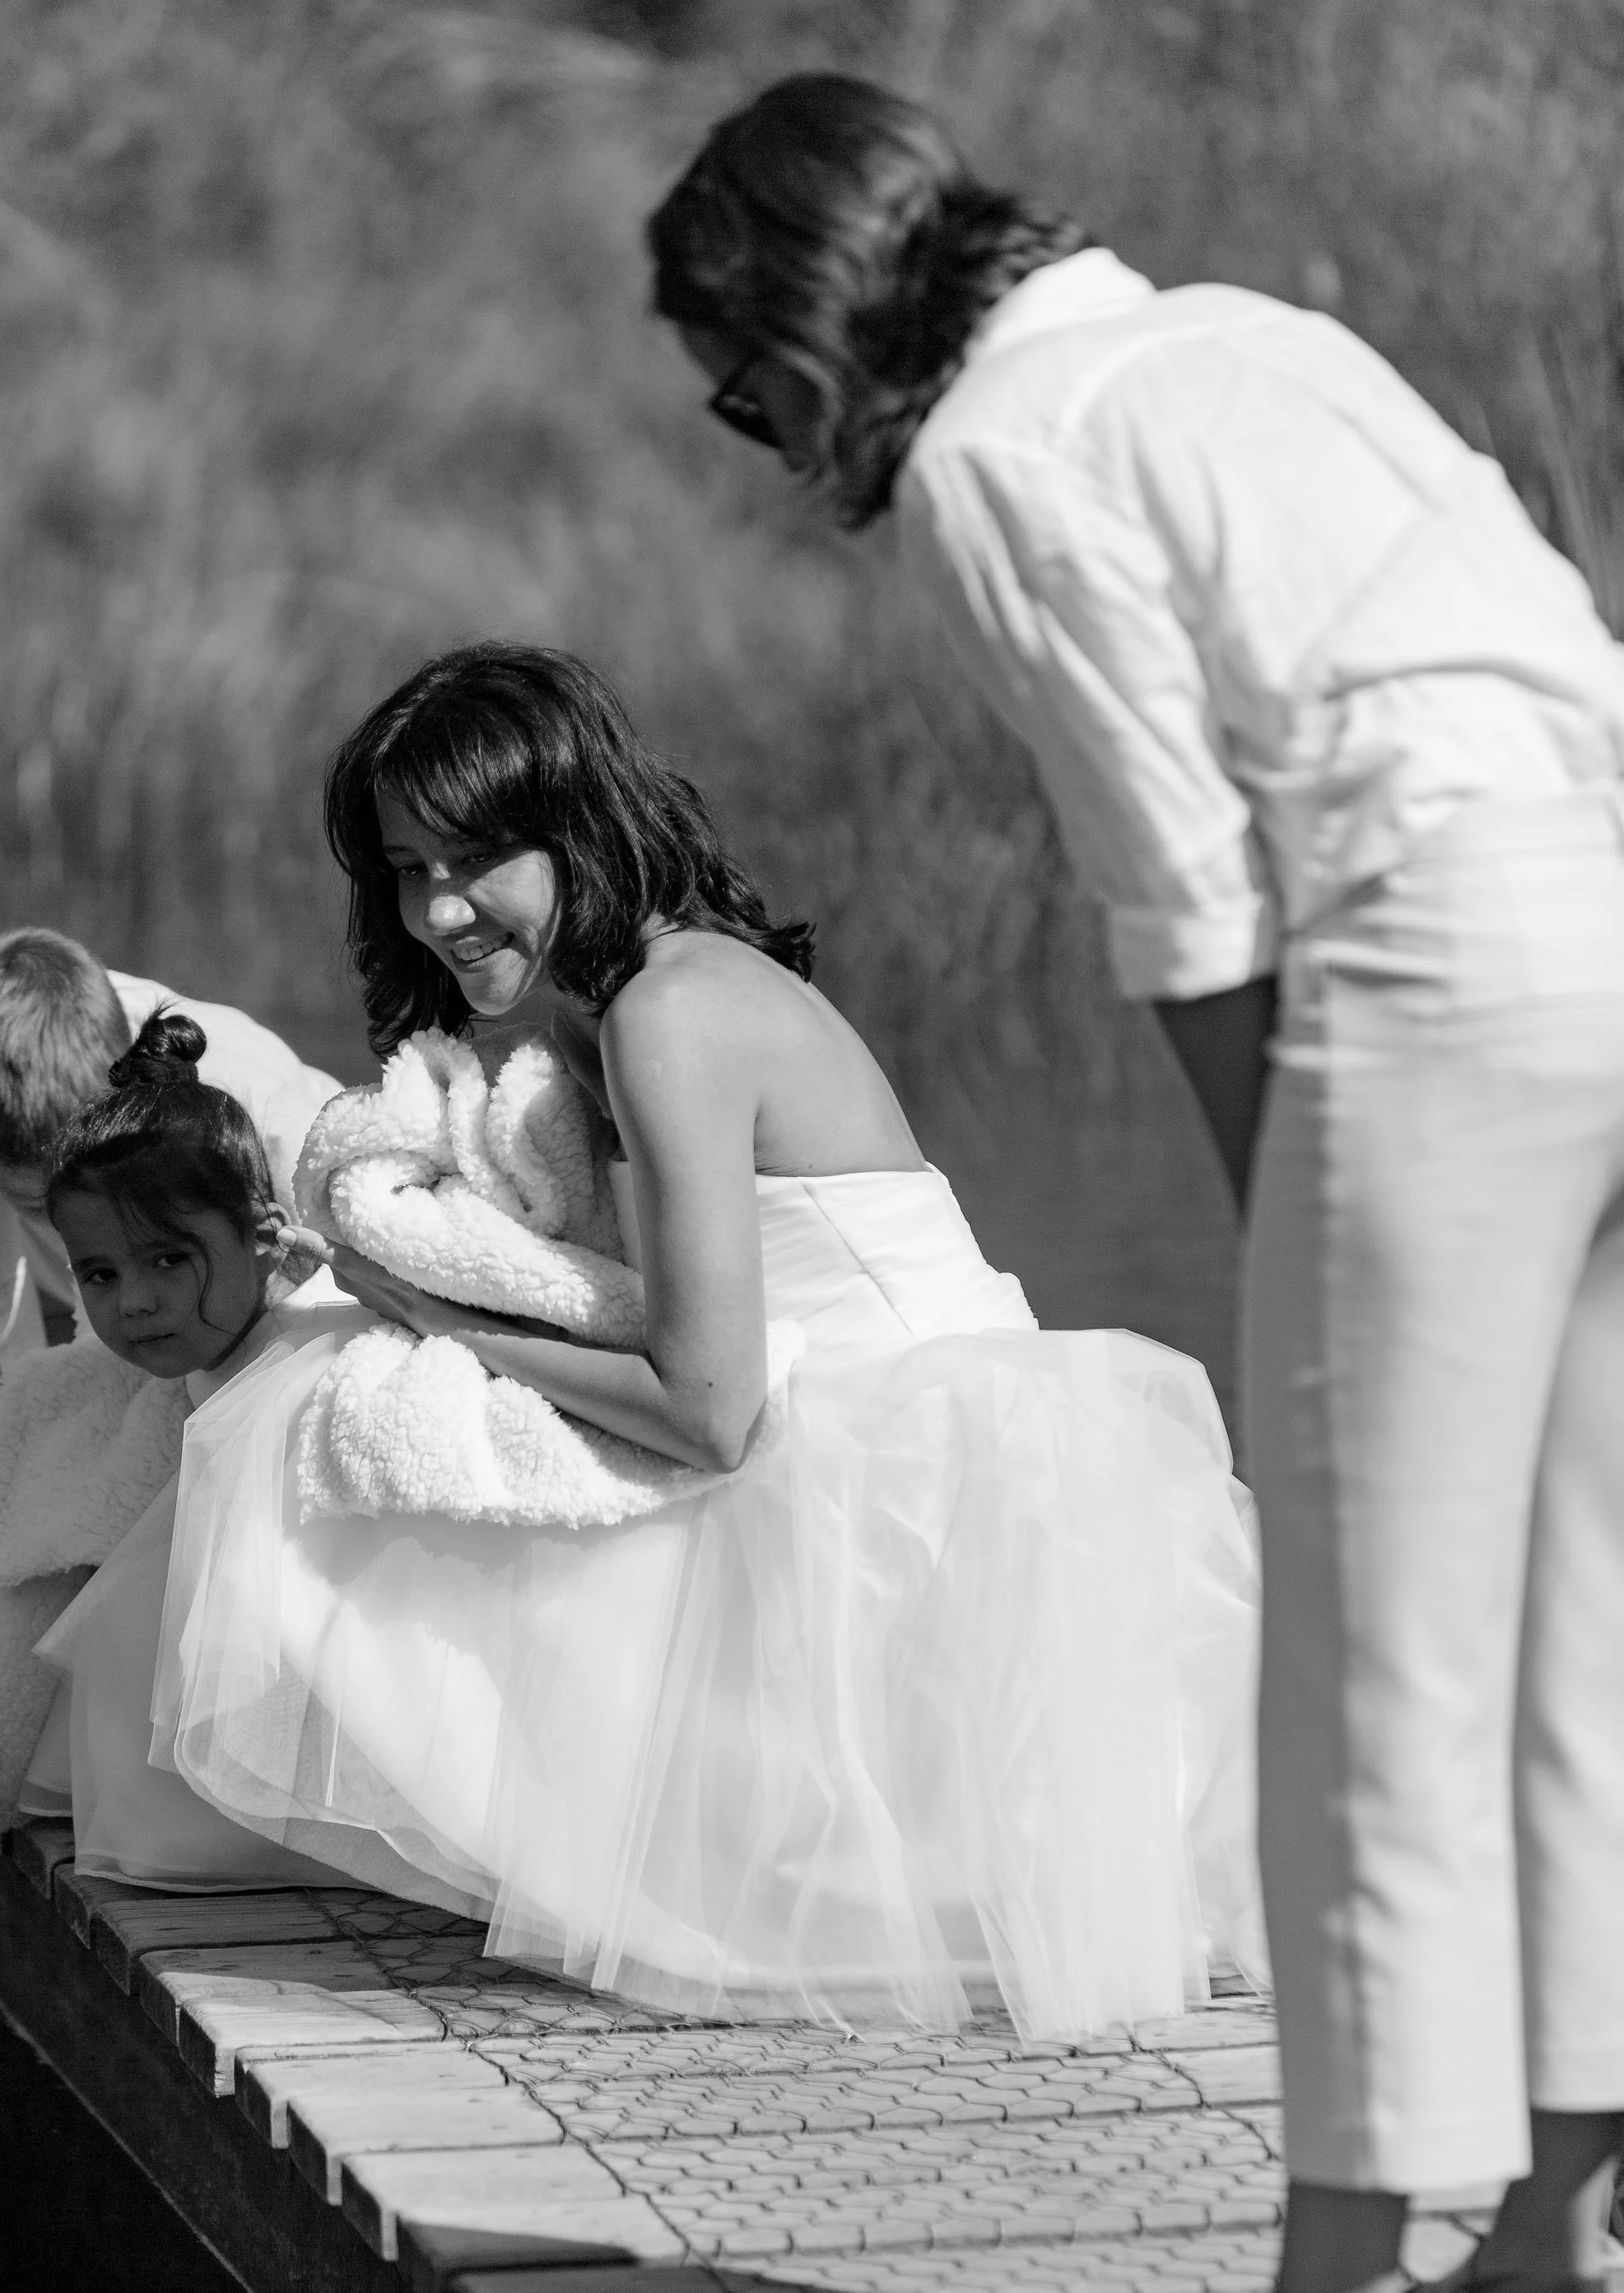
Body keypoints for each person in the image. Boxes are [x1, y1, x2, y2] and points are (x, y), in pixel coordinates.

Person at [647, 72, 1624, 2293]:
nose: (746, 435)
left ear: (806, 314)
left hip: (1448, 960)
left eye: (730, 372)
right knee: (1581, 1630)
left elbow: (1191, 908)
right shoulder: (1235, 341)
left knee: (1365, 1656)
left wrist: (1274, 1214)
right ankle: (1555, 2276)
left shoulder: (992, 450)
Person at [138, 640, 1264, 2036]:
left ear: (578, 828)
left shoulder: (670, 1017)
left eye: (473, 859)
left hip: (910, 1483)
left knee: (317, 1430)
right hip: (867, 1425)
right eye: (405, 868)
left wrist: (443, 1320)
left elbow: (711, 1409)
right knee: (356, 1402)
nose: (436, 909)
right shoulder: (648, 989)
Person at [0, 928, 339, 1756]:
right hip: (110, 1316)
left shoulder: (250, 1098)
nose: (57, 1217)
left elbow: (334, 1300)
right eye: (32, 1201)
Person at [3, 1006, 439, 1895]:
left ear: (263, 1233)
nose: (135, 1304)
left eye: (170, 1260)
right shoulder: (213, 1358)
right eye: (101, 1275)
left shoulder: (315, 1358)